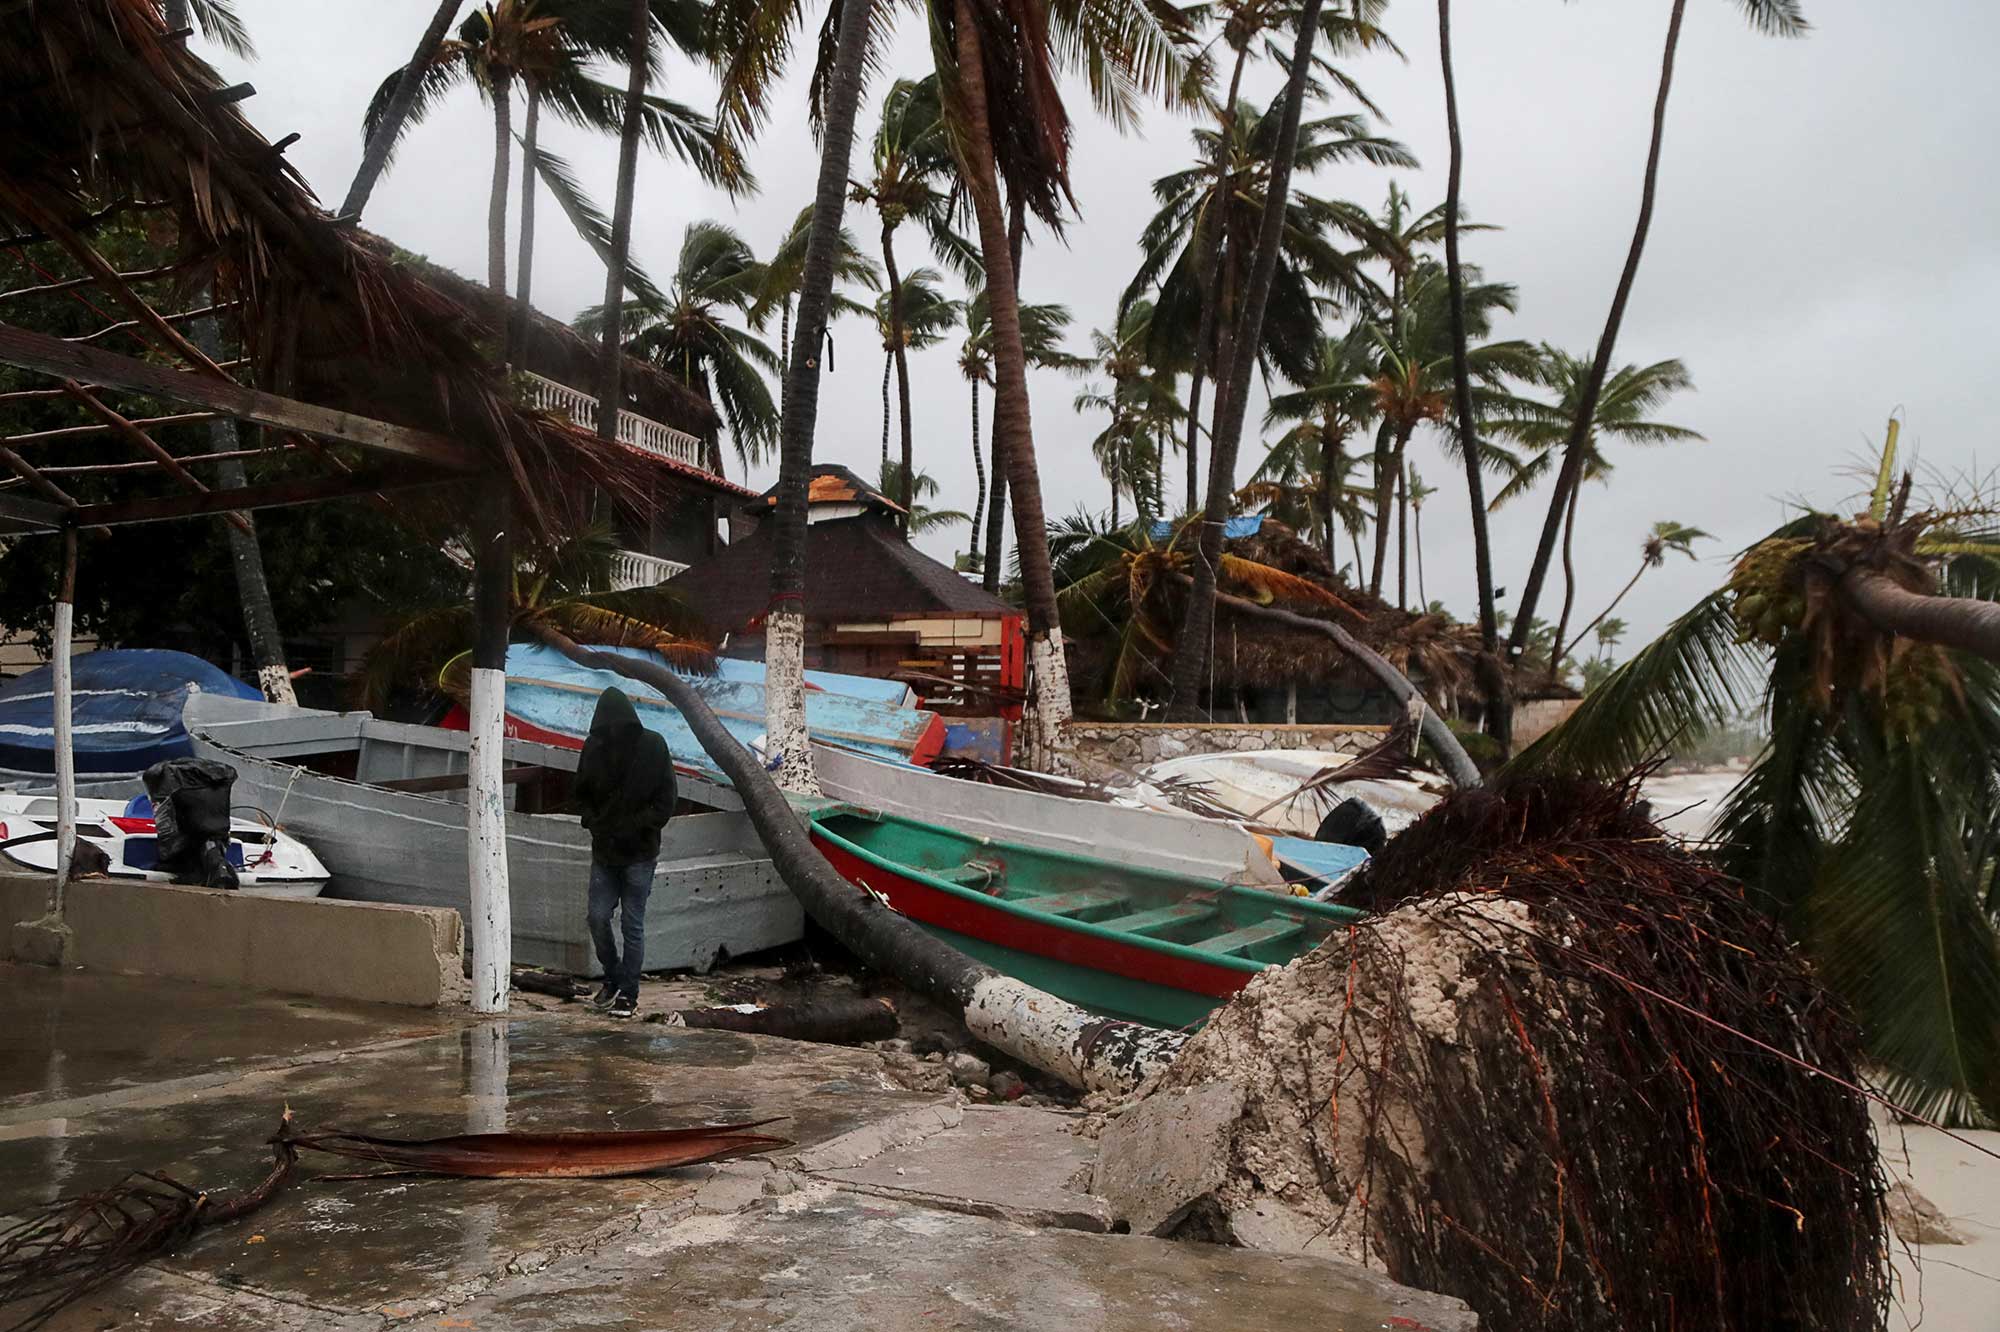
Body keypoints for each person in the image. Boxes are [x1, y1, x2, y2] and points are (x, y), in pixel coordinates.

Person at [574, 688, 677, 1018]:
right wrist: (593, 821)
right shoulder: (593, 748)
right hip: (605, 852)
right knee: (597, 917)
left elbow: (666, 800)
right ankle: (614, 976)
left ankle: (628, 994)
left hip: (640, 853)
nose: (613, 730)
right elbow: (580, 793)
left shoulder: (654, 746)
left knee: (632, 925)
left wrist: (636, 826)